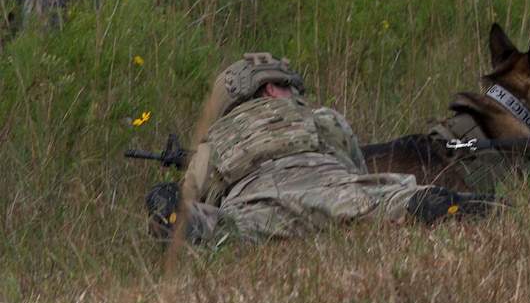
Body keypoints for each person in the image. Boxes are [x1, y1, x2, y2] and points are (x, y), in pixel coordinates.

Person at [147, 54, 498, 246]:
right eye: (288, 87)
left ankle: (183, 220)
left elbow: (204, 187)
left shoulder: (214, 141)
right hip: (333, 192)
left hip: (257, 207)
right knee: (385, 200)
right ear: (270, 87)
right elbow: (353, 168)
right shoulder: (320, 117)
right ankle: (429, 203)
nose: (294, 95)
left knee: (227, 229)